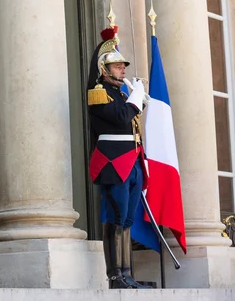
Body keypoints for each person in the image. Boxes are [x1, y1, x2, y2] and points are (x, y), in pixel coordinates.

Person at [87, 25, 150, 289]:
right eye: (117, 66)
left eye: (123, 65)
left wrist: (138, 98)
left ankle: (126, 273)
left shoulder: (121, 94)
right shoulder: (98, 93)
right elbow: (122, 117)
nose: (123, 69)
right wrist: (135, 100)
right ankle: (114, 277)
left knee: (127, 219)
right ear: (104, 69)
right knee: (115, 216)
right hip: (113, 163)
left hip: (132, 161)